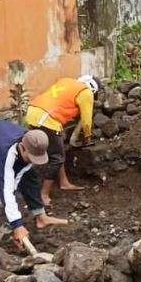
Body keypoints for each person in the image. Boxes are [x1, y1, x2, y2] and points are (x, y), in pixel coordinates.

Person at [0, 119, 67, 248]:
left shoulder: (33, 142)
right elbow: (6, 189)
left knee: (30, 176)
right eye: (30, 157)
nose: (32, 161)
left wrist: (14, 220)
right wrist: (17, 225)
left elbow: (16, 181)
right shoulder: (7, 153)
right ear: (22, 148)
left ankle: (41, 217)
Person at [25, 75, 99, 206]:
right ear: (93, 88)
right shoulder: (86, 92)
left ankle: (64, 182)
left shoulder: (67, 82)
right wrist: (87, 137)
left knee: (57, 151)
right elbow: (86, 120)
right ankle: (44, 194)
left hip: (33, 112)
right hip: (47, 119)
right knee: (57, 158)